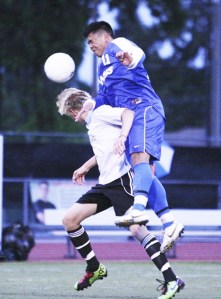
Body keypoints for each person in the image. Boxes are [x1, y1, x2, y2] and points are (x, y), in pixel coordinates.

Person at [56, 87, 185, 299]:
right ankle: (94, 267)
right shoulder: (93, 123)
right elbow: (105, 150)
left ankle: (172, 279)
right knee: (69, 220)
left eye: (69, 114)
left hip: (122, 180)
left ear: (73, 111)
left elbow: (128, 113)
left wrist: (124, 136)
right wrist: (86, 166)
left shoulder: (100, 112)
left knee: (137, 230)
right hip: (105, 184)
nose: (72, 118)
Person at [77, 21, 184, 252]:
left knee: (139, 161)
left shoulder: (117, 45)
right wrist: (91, 103)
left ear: (105, 37)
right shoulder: (101, 69)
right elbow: (105, 96)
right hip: (134, 117)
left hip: (144, 108)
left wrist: (129, 58)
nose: (90, 46)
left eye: (91, 41)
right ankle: (170, 224)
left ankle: (137, 210)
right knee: (145, 172)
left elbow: (137, 54)